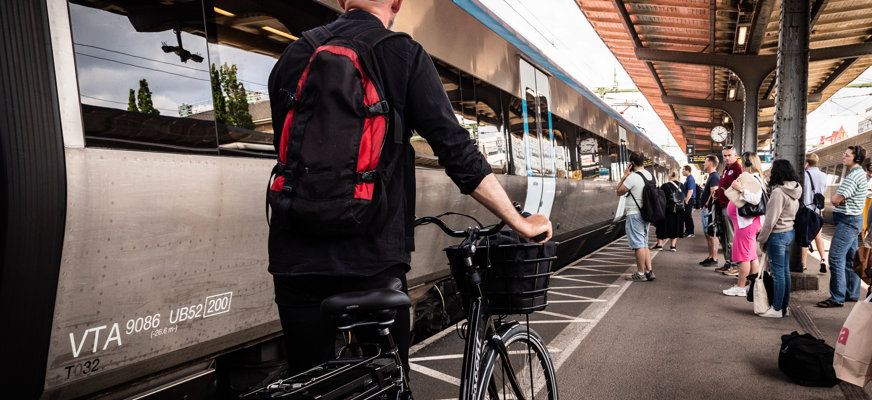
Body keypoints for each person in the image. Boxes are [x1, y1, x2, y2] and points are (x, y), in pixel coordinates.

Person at [266, 0, 553, 375]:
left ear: (341, 2)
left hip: (295, 259)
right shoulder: (402, 53)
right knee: (389, 377)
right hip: (372, 259)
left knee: (307, 380)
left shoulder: (293, 55)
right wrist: (521, 222)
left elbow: (287, 151)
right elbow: (458, 153)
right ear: (396, 3)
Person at [817, 145, 868, 308]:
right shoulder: (858, 174)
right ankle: (852, 293)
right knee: (850, 258)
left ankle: (837, 297)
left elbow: (835, 199)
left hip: (848, 221)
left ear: (856, 158)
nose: (843, 157)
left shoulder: (853, 176)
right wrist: (840, 198)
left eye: (846, 155)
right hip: (853, 220)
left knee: (835, 258)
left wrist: (838, 197)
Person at [757, 160, 802, 317]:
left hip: (777, 235)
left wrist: (762, 240)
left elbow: (770, 221)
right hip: (789, 232)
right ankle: (784, 306)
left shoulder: (778, 193)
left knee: (778, 274)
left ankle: (776, 308)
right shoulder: (796, 189)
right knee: (784, 272)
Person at [722, 152, 765, 296]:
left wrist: (739, 188)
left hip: (746, 224)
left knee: (744, 257)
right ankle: (752, 286)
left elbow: (755, 199)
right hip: (746, 224)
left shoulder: (754, 178)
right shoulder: (756, 178)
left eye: (743, 162)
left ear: (748, 163)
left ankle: (740, 287)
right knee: (751, 256)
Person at [616, 151, 655, 281]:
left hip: (635, 214)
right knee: (644, 243)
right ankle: (649, 271)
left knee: (638, 245)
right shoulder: (650, 176)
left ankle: (640, 273)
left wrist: (624, 176)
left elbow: (619, 191)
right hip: (647, 213)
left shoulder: (633, 177)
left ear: (631, 163)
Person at [714, 146, 742, 273]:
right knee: (723, 235)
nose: (726, 158)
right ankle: (728, 262)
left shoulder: (738, 169)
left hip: (730, 206)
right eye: (724, 156)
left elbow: (739, 188)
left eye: (729, 155)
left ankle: (734, 264)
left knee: (731, 236)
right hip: (721, 204)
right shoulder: (726, 169)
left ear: (735, 155)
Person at [801, 153, 829, 273]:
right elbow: (824, 190)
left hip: (806, 210)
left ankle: (803, 264)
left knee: (804, 238)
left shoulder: (804, 175)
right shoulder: (824, 176)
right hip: (818, 210)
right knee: (818, 236)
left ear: (807, 163)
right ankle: (823, 259)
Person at [652, 170, 684, 251]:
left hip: (666, 210)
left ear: (669, 176)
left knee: (662, 226)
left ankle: (659, 245)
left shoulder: (664, 186)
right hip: (678, 210)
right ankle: (673, 246)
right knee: (675, 226)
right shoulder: (682, 185)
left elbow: (660, 199)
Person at [698, 155, 721, 267]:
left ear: (711, 163)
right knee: (708, 235)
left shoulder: (714, 177)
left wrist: (706, 204)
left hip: (709, 210)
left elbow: (714, 193)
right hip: (706, 209)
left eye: (705, 161)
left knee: (712, 235)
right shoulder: (711, 176)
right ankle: (710, 256)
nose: (704, 163)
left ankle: (714, 258)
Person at [682, 165, 696, 237]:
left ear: (688, 171)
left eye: (683, 170)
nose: (682, 171)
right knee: (686, 216)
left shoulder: (690, 179)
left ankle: (691, 232)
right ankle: (687, 231)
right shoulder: (688, 178)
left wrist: (686, 201)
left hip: (689, 199)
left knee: (688, 215)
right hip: (688, 199)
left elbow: (690, 191)